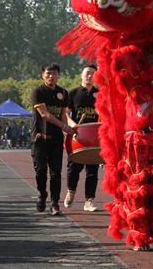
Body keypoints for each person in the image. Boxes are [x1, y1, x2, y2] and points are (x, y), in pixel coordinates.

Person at [31, 63, 75, 216]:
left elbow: (63, 114)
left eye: (54, 73)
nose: (51, 76)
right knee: (41, 171)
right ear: (43, 75)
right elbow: (44, 114)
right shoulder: (38, 92)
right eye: (48, 73)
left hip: (56, 139)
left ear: (58, 75)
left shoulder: (63, 92)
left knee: (56, 173)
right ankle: (42, 194)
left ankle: (55, 203)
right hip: (40, 138)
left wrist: (68, 130)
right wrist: (63, 126)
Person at [64, 65, 100, 212]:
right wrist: (73, 125)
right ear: (81, 75)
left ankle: (89, 201)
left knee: (92, 170)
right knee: (73, 168)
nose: (90, 76)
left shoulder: (100, 94)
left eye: (93, 74)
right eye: (87, 73)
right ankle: (71, 191)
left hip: (94, 137)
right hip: (77, 136)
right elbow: (65, 114)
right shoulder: (73, 93)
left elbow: (105, 113)